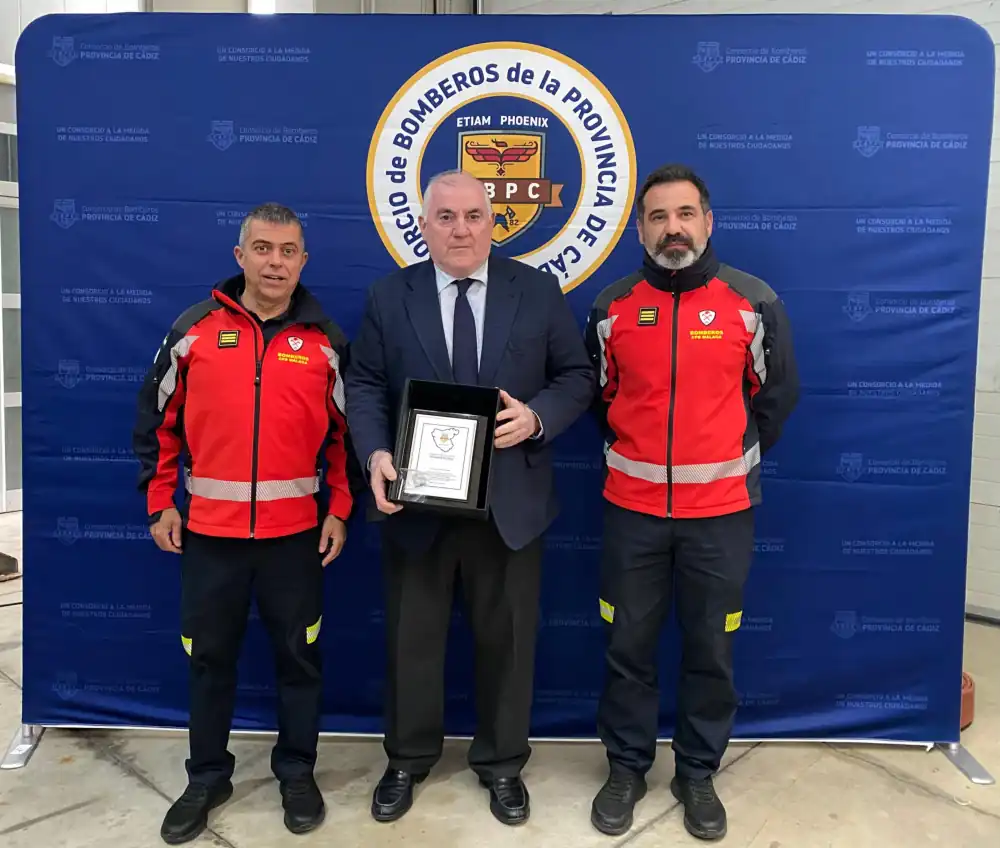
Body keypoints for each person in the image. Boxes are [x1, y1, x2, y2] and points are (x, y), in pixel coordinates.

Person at [345, 169, 594, 826]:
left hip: (510, 507)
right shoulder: (388, 296)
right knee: (411, 643)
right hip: (417, 506)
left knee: (508, 645)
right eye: (446, 217)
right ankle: (406, 759)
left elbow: (576, 376)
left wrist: (536, 418)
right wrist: (374, 454)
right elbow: (363, 385)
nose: (461, 229)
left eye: (474, 216)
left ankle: (503, 764)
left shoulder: (535, 291)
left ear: (493, 223)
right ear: (423, 226)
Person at [583, 164, 799, 841]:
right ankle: (626, 768)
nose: (671, 228)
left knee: (711, 649)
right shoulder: (611, 308)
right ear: (640, 230)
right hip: (632, 512)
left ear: (708, 221)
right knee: (627, 646)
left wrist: (725, 458)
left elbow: (775, 398)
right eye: (658, 217)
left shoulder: (752, 302)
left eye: (684, 214)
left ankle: (697, 772)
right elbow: (601, 400)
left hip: (721, 516)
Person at [133, 202, 359, 844]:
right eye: (262, 249)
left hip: (295, 539)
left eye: (288, 251)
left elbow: (346, 438)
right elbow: (156, 423)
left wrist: (340, 508)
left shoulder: (326, 343)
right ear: (240, 256)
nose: (274, 263)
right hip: (210, 537)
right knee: (209, 661)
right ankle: (207, 776)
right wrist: (160, 500)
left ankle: (297, 772)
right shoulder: (194, 331)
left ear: (303, 261)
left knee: (299, 659)